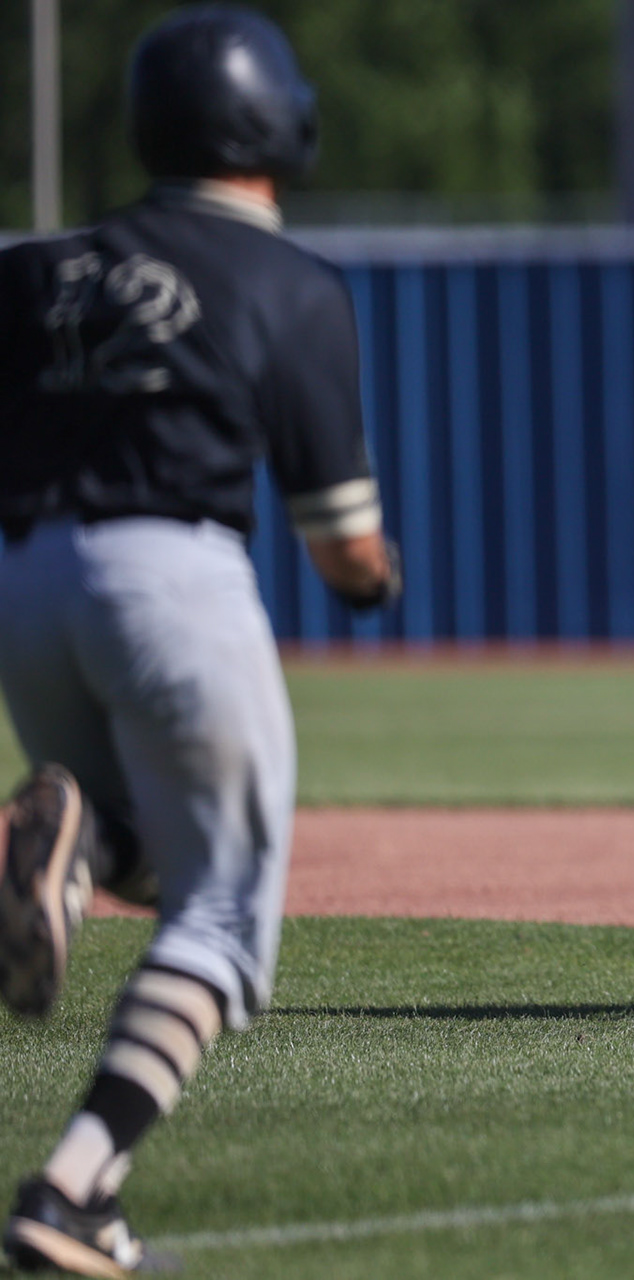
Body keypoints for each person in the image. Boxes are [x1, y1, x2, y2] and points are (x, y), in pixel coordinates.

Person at [0, 7, 399, 1273]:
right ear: (272, 122)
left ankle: (77, 841)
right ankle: (70, 1188)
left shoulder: (38, 269)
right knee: (228, 915)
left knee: (162, 862)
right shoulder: (289, 281)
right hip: (170, 575)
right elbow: (345, 549)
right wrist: (378, 579)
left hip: (25, 584)